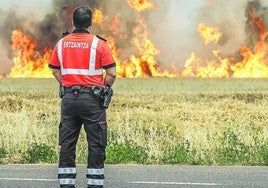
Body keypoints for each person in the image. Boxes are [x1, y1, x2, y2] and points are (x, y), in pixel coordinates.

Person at [48, 5, 116, 188]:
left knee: (67, 144)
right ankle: (94, 184)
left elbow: (55, 69)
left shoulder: (61, 43)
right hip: (92, 101)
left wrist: (66, 83)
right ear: (91, 23)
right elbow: (112, 73)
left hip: (69, 99)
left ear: (73, 22)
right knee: (96, 143)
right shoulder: (99, 44)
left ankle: (66, 184)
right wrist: (104, 88)